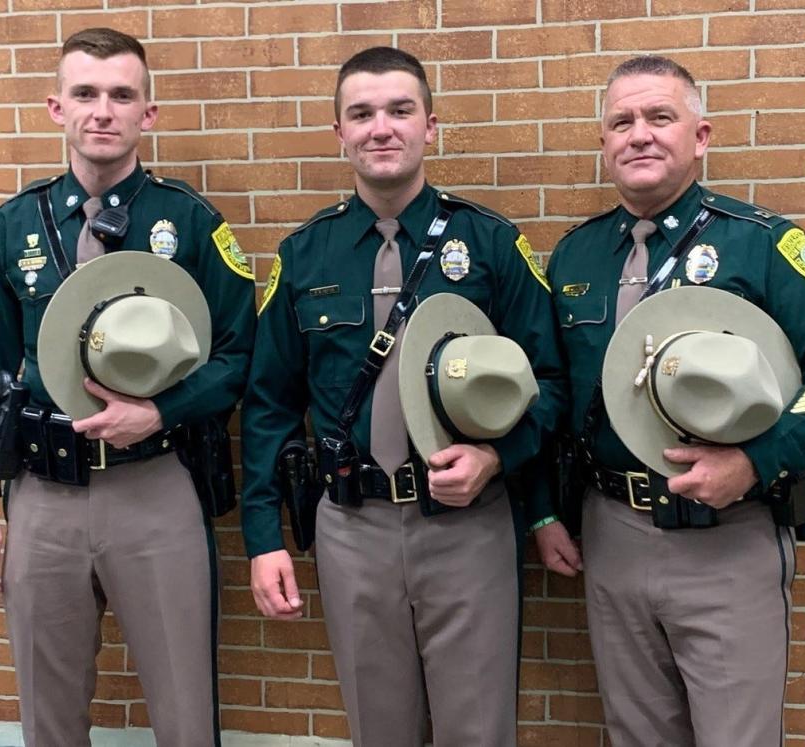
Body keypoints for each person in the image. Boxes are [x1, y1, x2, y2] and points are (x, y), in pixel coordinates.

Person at [538, 54, 805, 747]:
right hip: (612, 532)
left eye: (660, 117)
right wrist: (547, 508)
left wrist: (756, 461)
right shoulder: (574, 258)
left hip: (728, 536)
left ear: (701, 135)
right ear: (604, 143)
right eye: (621, 121)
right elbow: (558, 397)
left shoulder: (761, 244)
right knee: (636, 735)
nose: (639, 134)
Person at [241, 46, 565, 747]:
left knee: (477, 729)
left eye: (398, 110)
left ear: (431, 126)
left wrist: (497, 456)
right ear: (339, 133)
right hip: (350, 526)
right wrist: (264, 538)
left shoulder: (492, 245)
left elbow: (551, 383)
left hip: (468, 523)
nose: (380, 127)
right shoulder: (304, 256)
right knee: (377, 729)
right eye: (361, 113)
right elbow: (268, 405)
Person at [0, 27, 256, 747]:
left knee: (186, 714)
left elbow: (238, 355)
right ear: (56, 107)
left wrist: (161, 410)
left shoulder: (190, 223)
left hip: (154, 488)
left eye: (122, 95)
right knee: (49, 717)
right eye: (85, 93)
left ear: (147, 114)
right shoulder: (11, 227)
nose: (103, 110)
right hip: (43, 495)